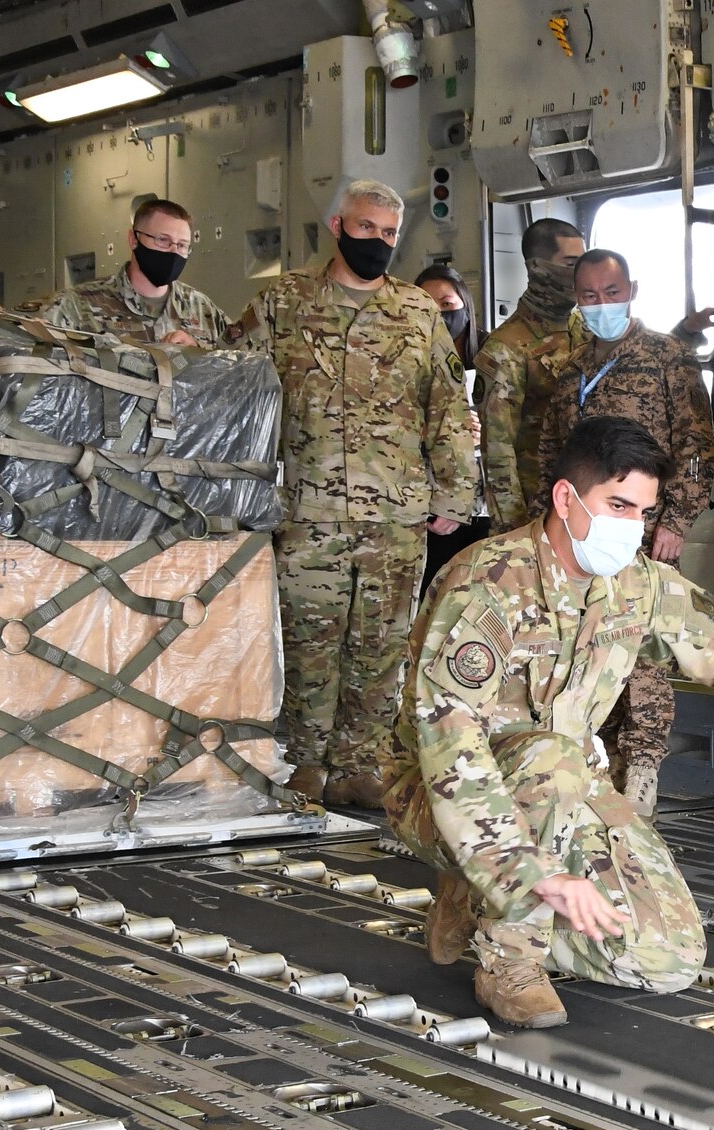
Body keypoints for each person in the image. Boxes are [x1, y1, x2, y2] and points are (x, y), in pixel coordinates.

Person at [386, 415, 714, 1028]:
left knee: (667, 960)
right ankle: (507, 956)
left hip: (562, 793)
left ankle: (482, 897)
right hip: (443, 796)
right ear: (567, 499)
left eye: (643, 512)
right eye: (617, 506)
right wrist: (525, 871)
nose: (632, 528)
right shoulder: (485, 586)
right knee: (551, 757)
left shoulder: (632, 584)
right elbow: (451, 750)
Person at [233, 178, 475, 810]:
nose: (379, 242)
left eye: (390, 234)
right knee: (307, 641)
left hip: (395, 514)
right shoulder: (284, 301)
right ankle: (304, 761)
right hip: (307, 511)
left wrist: (455, 494)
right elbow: (234, 391)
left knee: (381, 646)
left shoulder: (419, 314)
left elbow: (447, 408)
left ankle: (360, 763)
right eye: (367, 229)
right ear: (339, 226)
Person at [536, 248, 714, 815]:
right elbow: (551, 453)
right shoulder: (568, 369)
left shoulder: (668, 358)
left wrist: (678, 521)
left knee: (642, 654)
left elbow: (696, 445)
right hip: (581, 535)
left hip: (645, 533)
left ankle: (641, 770)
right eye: (589, 297)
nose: (601, 306)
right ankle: (594, 766)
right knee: (583, 646)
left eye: (611, 294)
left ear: (631, 289)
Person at [476, 218, 586, 530]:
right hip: (537, 508)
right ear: (538, 268)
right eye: (570, 263)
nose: (579, 273)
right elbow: (498, 452)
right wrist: (515, 531)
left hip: (586, 502)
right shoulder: (506, 348)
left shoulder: (584, 328)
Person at [28, 197, 230, 346]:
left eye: (182, 245)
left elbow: (241, 370)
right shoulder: (77, 305)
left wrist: (198, 354)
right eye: (162, 240)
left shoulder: (204, 311)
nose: (173, 251)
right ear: (134, 239)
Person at [414, 263, 490, 585]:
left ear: (465, 305)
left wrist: (484, 428)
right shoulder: (407, 359)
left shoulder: (493, 354)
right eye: (428, 306)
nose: (439, 313)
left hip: (486, 505)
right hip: (434, 502)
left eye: (447, 304)